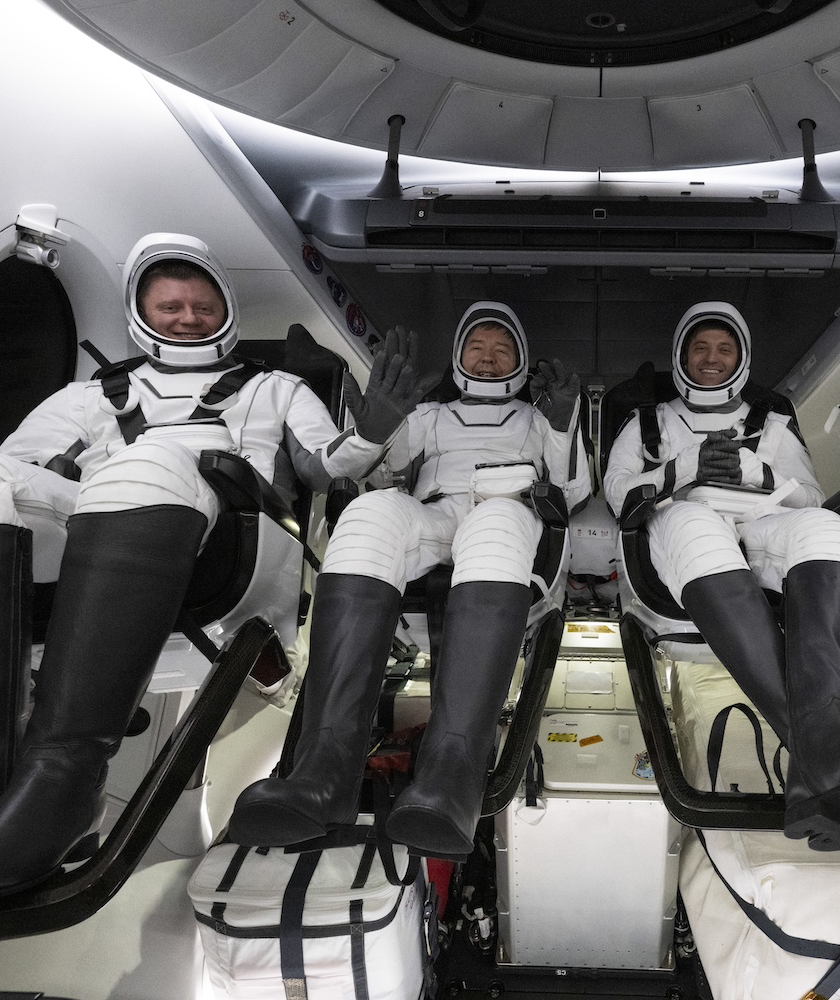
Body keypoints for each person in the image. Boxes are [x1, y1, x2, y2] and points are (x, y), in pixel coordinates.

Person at [0, 233, 368, 905]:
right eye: (170, 305)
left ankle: (67, 778)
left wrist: (374, 430)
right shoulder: (89, 395)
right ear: (140, 311)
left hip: (240, 544)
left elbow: (325, 464)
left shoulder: (275, 388)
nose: (187, 318)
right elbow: (16, 474)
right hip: (107, 524)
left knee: (144, 463)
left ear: (225, 309)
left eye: (202, 306)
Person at [228, 301, 588, 858]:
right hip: (436, 514)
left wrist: (564, 423)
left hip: (507, 512)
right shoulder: (431, 415)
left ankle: (451, 779)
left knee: (494, 522)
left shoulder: (538, 419)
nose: (489, 360)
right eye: (477, 348)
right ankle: (323, 772)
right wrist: (378, 421)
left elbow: (572, 491)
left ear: (518, 361)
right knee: (368, 516)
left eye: (502, 350)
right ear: (458, 357)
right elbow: (379, 472)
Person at [603, 301, 840, 851]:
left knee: (822, 526)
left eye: (724, 348)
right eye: (699, 347)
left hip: (763, 519)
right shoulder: (646, 424)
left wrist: (758, 470)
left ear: (741, 357)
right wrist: (685, 470)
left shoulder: (769, 424)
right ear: (681, 354)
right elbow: (618, 495)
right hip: (682, 520)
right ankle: (829, 752)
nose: (711, 358)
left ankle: (818, 763)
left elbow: (807, 496)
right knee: (696, 521)